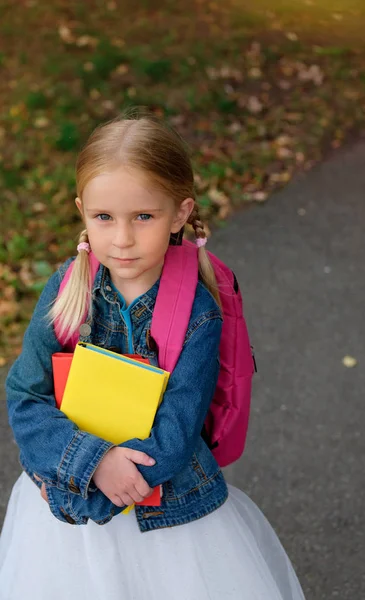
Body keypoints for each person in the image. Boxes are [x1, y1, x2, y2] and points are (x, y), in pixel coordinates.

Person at [0, 113, 306, 600]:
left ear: (180, 213)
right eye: (104, 217)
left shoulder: (197, 312)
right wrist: (85, 466)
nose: (121, 238)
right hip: (67, 489)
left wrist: (91, 490)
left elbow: (178, 431)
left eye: (143, 216)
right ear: (82, 211)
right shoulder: (67, 289)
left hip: (163, 504)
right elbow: (24, 394)